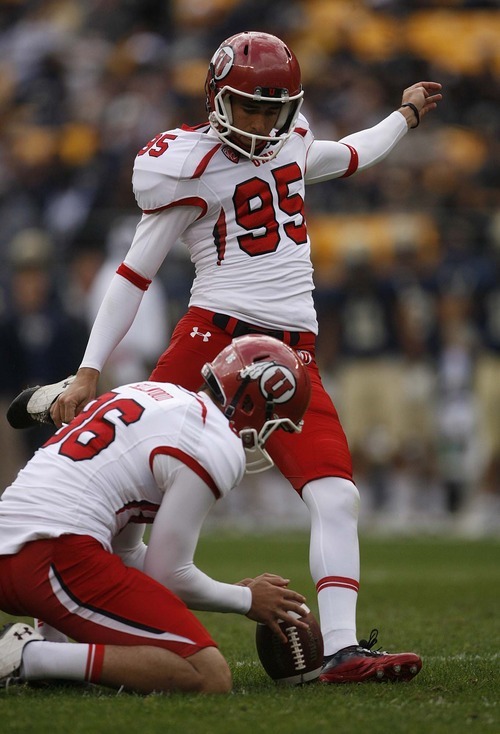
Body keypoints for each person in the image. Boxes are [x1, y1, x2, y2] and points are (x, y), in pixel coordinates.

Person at [7, 31, 442, 683]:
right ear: (218, 99)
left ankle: (342, 650)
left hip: (293, 355)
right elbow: (133, 273)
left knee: (337, 495)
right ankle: (52, 626)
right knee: (136, 490)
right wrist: (93, 367)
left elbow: (351, 154)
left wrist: (403, 117)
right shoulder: (187, 162)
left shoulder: (293, 145)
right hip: (214, 340)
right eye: (250, 107)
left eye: (275, 108)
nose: (264, 122)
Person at [0, 335, 312, 693]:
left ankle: (49, 646)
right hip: (51, 556)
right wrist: (246, 600)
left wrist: (227, 590)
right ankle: (32, 657)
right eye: (274, 425)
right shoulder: (214, 441)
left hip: (15, 545)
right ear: (253, 406)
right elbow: (169, 575)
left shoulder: (150, 392)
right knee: (207, 674)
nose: (267, 439)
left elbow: (125, 552)